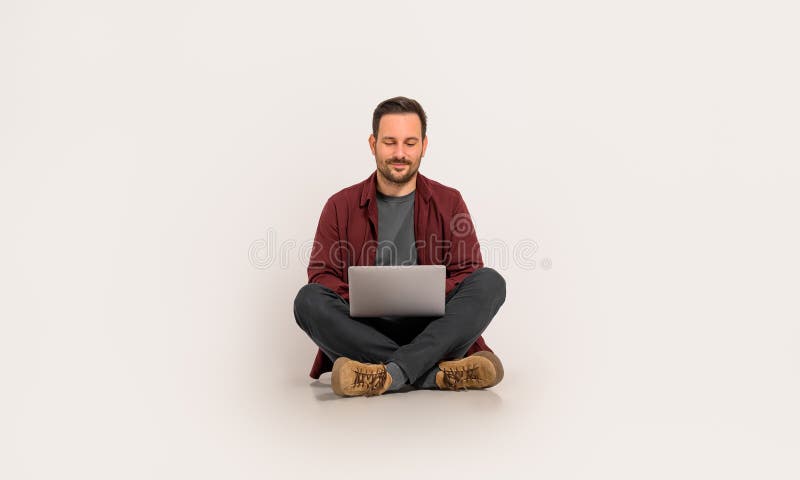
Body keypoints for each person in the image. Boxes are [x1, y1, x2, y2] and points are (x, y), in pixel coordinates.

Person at [293, 96, 506, 397]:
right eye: (390, 142)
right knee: (308, 301)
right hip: (364, 331)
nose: (400, 153)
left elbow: (469, 271)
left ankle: (384, 374)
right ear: (373, 144)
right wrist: (364, 299)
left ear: (424, 146)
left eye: (409, 143)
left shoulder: (450, 201)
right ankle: (433, 375)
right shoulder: (340, 205)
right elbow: (321, 275)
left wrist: (428, 295)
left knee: (490, 283)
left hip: (434, 328)